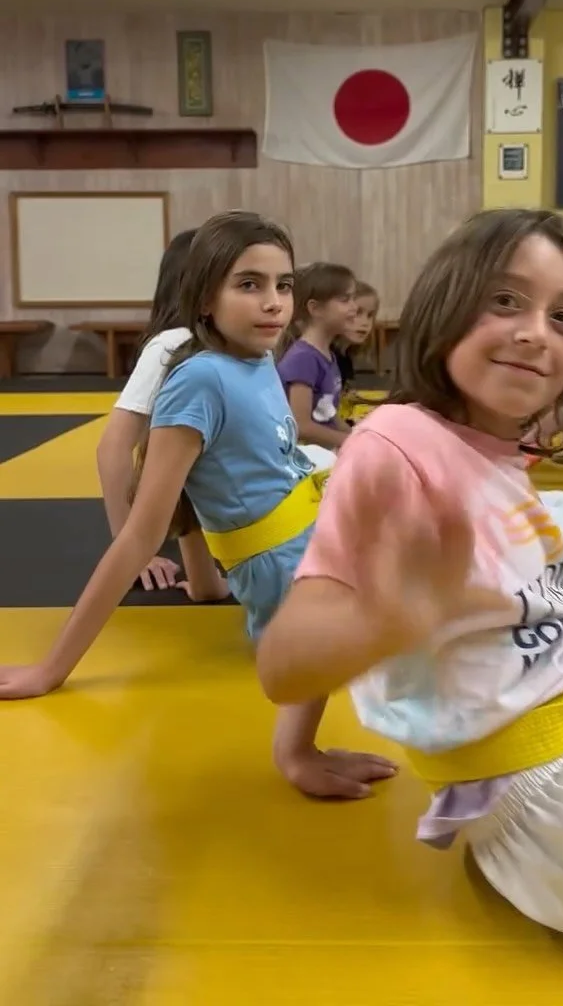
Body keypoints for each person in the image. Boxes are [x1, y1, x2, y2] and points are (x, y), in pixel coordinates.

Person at [257, 208, 563, 963]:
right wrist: (393, 617)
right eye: (505, 301)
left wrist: (298, 749)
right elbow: (289, 656)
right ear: (445, 306)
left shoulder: (486, 449)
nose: (536, 332)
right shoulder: (398, 444)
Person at [0, 211, 396, 801]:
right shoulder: (198, 380)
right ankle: (296, 752)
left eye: (283, 284)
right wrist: (49, 668)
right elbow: (140, 536)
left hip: (314, 530)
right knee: (353, 636)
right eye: (249, 284)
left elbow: (272, 459)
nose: (273, 302)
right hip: (283, 563)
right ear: (205, 299)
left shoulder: (258, 360)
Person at [96, 227, 228, 600]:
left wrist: (206, 583)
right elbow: (113, 448)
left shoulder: (230, 348)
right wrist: (130, 551)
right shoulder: (173, 344)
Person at [277, 262, 357, 450]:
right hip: (305, 455)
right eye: (345, 300)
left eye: (353, 299)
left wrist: (357, 434)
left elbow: (328, 413)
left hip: (324, 450)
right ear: (315, 309)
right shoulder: (303, 359)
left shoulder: (327, 354)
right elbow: (301, 426)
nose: (354, 307)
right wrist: (350, 441)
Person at [335, 280, 380, 422]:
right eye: (357, 313)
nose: (365, 322)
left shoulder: (345, 356)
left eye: (370, 315)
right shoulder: (323, 357)